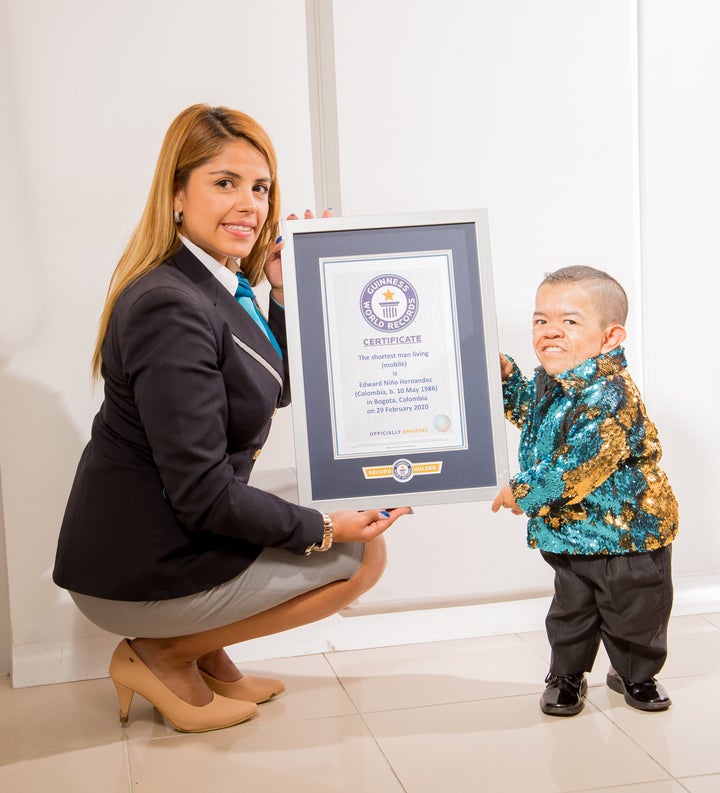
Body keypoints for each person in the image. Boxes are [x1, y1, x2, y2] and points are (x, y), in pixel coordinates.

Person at [53, 104, 410, 734]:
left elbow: (274, 388)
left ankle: (205, 655)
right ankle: (165, 653)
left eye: (261, 187)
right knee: (361, 556)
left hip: (162, 530)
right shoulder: (170, 304)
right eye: (225, 182)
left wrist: (283, 291)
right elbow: (201, 495)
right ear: (176, 196)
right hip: (142, 561)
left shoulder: (213, 283)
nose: (250, 205)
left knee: (336, 503)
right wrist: (325, 528)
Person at [491, 265, 678, 717]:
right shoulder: (553, 383)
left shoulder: (611, 395)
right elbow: (531, 416)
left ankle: (635, 673)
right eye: (541, 320)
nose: (550, 331)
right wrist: (507, 378)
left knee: (636, 610)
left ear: (610, 337)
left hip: (628, 535)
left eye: (569, 321)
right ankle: (567, 674)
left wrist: (523, 491)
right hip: (570, 534)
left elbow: (580, 464)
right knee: (570, 612)